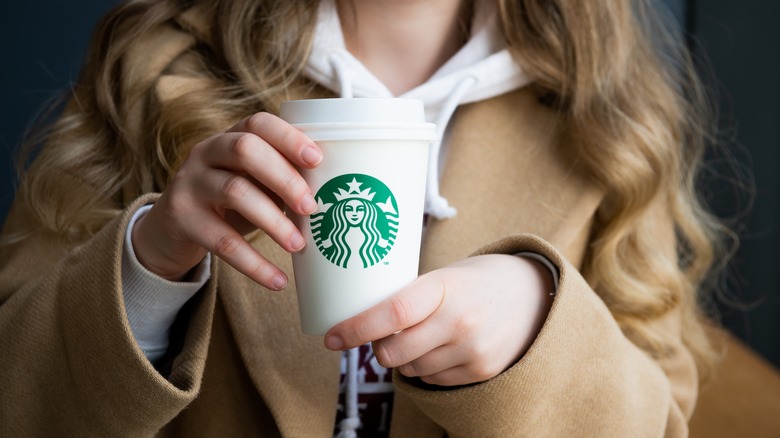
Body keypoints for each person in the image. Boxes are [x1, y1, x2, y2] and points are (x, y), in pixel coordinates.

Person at [0, 0, 731, 436]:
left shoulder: (606, 121)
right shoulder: (152, 72)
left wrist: (542, 334)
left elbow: (661, 418)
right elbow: (19, 399)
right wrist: (149, 260)